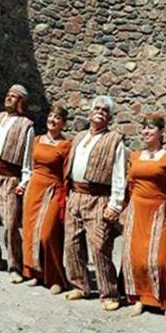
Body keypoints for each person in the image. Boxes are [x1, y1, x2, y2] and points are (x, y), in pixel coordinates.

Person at [61, 95, 127, 311]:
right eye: (97, 108)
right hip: (75, 195)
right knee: (72, 243)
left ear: (110, 117)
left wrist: (115, 205)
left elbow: (119, 174)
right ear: (90, 112)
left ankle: (110, 293)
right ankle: (80, 285)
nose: (100, 112)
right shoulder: (79, 137)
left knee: (100, 246)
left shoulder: (115, 140)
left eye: (105, 110)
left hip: (99, 198)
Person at [121, 112, 166, 323]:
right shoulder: (134, 156)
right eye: (144, 127)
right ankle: (139, 297)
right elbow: (130, 185)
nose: (146, 131)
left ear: (161, 132)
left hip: (159, 210)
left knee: (160, 259)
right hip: (137, 209)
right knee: (135, 258)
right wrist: (123, 208)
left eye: (151, 128)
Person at [18, 104, 72, 295]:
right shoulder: (37, 140)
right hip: (34, 188)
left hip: (53, 190)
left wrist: (65, 196)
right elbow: (28, 165)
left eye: (58, 118)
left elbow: (67, 173)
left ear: (63, 124)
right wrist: (24, 183)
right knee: (31, 232)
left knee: (48, 234)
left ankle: (56, 277)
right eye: (51, 116)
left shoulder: (66, 146)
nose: (52, 120)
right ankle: (35, 272)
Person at [0, 85, 34, 282]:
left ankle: (15, 265)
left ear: (21, 102)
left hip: (9, 179)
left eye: (14, 97)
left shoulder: (26, 126)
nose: (9, 98)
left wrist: (24, 181)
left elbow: (28, 158)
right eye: (8, 95)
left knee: (10, 224)